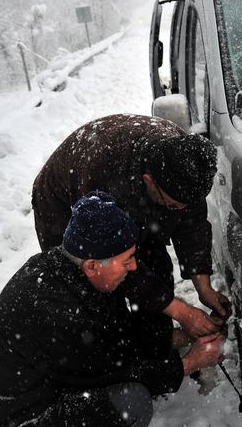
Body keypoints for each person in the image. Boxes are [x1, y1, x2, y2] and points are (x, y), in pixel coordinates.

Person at [0, 192, 226, 427]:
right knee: (133, 403)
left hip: (54, 381)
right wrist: (189, 363)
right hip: (29, 425)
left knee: (127, 320)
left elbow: (116, 339)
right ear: (92, 266)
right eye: (127, 260)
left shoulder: (71, 271)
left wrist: (178, 336)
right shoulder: (59, 314)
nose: (134, 266)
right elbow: (120, 371)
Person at [31, 114, 230, 330]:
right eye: (173, 205)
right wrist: (182, 313)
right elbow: (116, 263)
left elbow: (192, 226)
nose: (179, 211)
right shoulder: (108, 176)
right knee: (93, 287)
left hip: (130, 189)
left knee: (156, 266)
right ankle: (112, 351)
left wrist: (203, 287)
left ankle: (157, 345)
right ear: (149, 181)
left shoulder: (188, 162)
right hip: (60, 203)